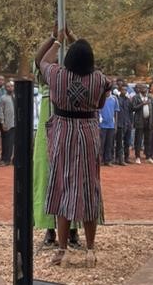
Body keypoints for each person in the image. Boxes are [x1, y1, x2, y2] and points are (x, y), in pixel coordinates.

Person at [34, 27, 109, 268]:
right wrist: (76, 40)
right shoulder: (99, 78)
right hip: (88, 133)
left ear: (67, 59)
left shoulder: (57, 75)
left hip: (63, 132)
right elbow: (100, 102)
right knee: (89, 188)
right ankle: (89, 249)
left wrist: (57, 39)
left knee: (60, 186)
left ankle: (62, 249)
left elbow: (40, 61)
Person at [131, 83, 152, 165]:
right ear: (139, 89)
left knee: (148, 140)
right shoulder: (136, 97)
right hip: (139, 121)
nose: (144, 89)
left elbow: (152, 109)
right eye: (142, 88)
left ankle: (148, 157)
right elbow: (133, 108)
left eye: (145, 88)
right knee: (138, 140)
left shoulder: (150, 97)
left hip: (148, 121)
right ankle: (137, 157)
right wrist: (142, 104)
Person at [114, 79, 133, 165]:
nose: (125, 91)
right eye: (123, 90)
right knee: (119, 142)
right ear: (119, 90)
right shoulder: (117, 99)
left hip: (127, 123)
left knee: (127, 142)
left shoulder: (128, 100)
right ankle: (119, 159)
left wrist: (131, 123)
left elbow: (131, 111)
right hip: (120, 124)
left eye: (126, 90)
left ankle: (126, 158)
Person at [0, 80, 16, 166]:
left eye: (11, 86)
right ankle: (5, 159)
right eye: (8, 86)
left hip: (16, 123)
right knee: (6, 143)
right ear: (5, 88)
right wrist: (2, 122)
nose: (10, 88)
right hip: (7, 124)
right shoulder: (2, 98)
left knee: (15, 143)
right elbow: (0, 111)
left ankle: (14, 159)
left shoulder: (16, 97)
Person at [99, 88, 117, 166]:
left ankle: (108, 160)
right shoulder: (100, 99)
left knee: (109, 144)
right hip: (102, 125)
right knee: (101, 144)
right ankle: (100, 160)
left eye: (108, 91)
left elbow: (116, 112)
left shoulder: (114, 99)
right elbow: (97, 111)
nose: (107, 92)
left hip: (111, 125)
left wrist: (115, 125)